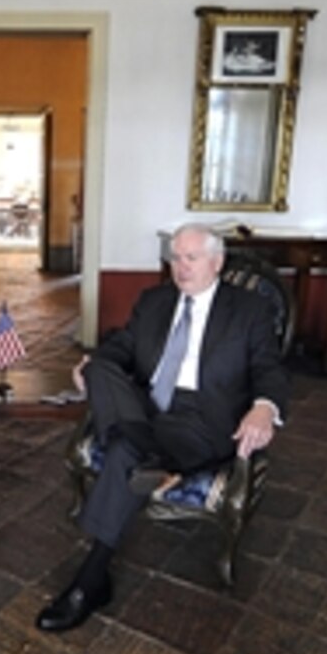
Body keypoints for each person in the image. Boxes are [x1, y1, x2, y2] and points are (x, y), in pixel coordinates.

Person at [35, 223, 289, 632]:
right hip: (146, 409)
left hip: (201, 421)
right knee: (100, 365)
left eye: (191, 258)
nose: (181, 267)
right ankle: (151, 456)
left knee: (123, 453)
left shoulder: (248, 310)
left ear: (216, 262)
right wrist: (93, 367)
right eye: (175, 258)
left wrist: (264, 406)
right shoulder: (155, 300)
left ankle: (90, 581)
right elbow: (122, 347)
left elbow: (269, 371)